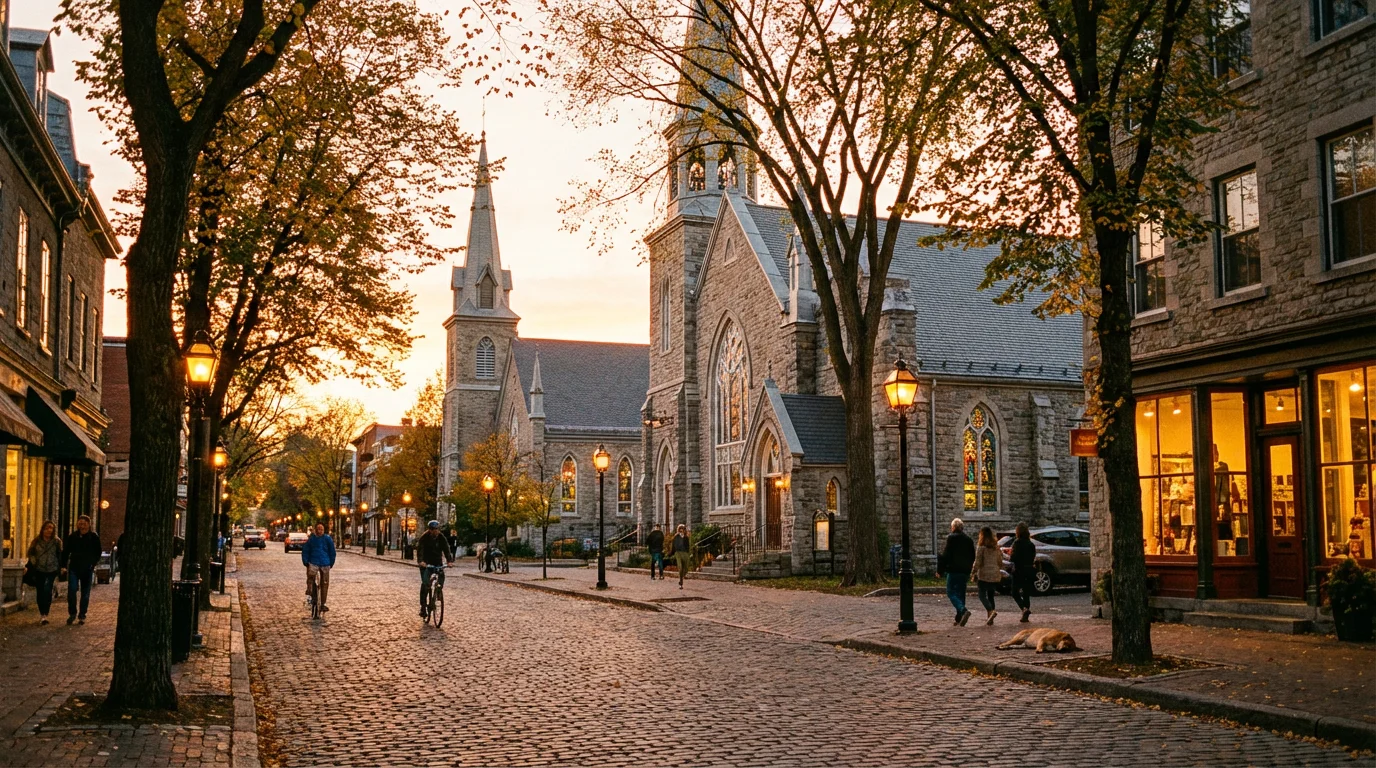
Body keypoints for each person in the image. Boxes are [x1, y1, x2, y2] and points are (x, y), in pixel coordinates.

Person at [61, 515, 102, 625]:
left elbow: (98, 552)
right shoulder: (73, 537)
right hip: (74, 567)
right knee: (72, 590)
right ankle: (72, 613)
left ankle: (82, 614)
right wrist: (63, 565)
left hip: (87, 568)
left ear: (89, 524)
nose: (82, 526)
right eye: (80, 523)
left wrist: (92, 564)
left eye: (84, 523)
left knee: (85, 593)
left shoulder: (93, 537)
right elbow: (66, 551)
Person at [936, 517, 975, 626]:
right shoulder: (968, 540)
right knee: (961, 593)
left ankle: (963, 610)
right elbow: (972, 555)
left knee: (951, 592)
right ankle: (959, 618)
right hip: (964, 571)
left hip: (953, 570)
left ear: (953, 527)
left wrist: (940, 570)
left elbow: (946, 555)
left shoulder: (951, 538)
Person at [417, 520, 454, 618]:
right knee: (425, 584)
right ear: (429, 530)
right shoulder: (424, 538)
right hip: (426, 564)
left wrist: (449, 561)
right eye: (433, 529)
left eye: (436, 529)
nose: (435, 531)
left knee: (441, 576)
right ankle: (423, 606)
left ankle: (438, 592)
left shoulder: (441, 538)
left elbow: (446, 549)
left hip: (437, 562)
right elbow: (420, 550)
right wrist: (421, 561)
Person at [27, 521, 62, 625]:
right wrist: (33, 561)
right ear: (43, 529)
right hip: (39, 568)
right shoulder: (36, 541)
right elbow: (30, 553)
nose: (49, 530)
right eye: (47, 528)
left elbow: (60, 555)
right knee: (40, 590)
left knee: (47, 589)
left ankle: (46, 613)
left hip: (52, 568)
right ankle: (42, 613)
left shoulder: (57, 542)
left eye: (51, 528)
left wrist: (60, 568)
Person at [301, 523, 337, 614]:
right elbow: (305, 550)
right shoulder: (312, 540)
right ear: (315, 530)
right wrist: (305, 561)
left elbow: (332, 551)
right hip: (313, 562)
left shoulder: (327, 539)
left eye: (321, 529)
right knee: (311, 576)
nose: (319, 531)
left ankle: (323, 603)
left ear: (323, 530)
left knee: (325, 583)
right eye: (318, 529)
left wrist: (331, 562)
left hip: (325, 562)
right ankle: (310, 591)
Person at [973, 526, 1002, 625]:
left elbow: (978, 562)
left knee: (981, 595)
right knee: (991, 595)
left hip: (984, 575)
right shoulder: (996, 547)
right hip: (994, 575)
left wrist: (973, 572)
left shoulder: (981, 547)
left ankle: (990, 611)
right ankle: (990, 618)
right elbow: (1000, 561)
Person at [1010, 522, 1036, 623]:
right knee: (1026, 593)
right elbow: (1033, 557)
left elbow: (1014, 557)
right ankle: (1026, 612)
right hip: (1029, 569)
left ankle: (1023, 609)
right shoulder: (1031, 544)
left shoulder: (1017, 543)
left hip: (1019, 570)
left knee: (1014, 592)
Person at [671, 524, 691, 590]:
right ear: (678, 529)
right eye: (680, 529)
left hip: (685, 553)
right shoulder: (676, 537)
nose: (681, 530)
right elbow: (673, 546)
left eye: (682, 529)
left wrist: (688, 553)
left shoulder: (686, 538)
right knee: (680, 567)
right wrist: (672, 553)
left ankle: (681, 578)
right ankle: (681, 582)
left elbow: (688, 546)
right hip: (678, 553)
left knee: (685, 568)